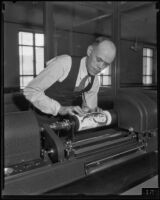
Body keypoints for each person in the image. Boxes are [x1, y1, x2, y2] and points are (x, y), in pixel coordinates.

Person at [23, 37, 116, 124]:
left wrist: (93, 111)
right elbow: (30, 91)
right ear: (90, 51)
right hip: (36, 119)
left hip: (63, 123)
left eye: (106, 64)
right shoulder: (64, 63)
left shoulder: (94, 80)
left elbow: (89, 108)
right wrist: (59, 109)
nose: (100, 67)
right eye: (99, 59)